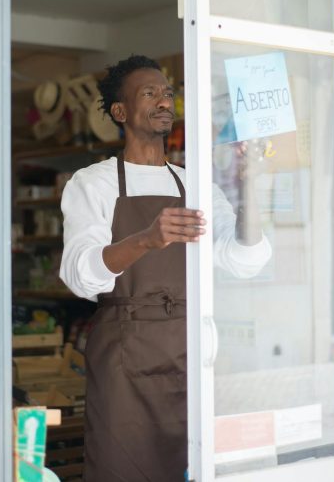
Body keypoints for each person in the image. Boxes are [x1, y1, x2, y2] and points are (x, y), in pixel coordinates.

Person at [59, 54, 270, 481]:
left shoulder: (194, 183)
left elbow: (239, 258)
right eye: (149, 92)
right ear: (120, 112)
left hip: (189, 351)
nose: (163, 101)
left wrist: (253, 187)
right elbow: (80, 273)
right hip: (124, 354)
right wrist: (145, 240)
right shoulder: (92, 183)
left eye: (168, 93)